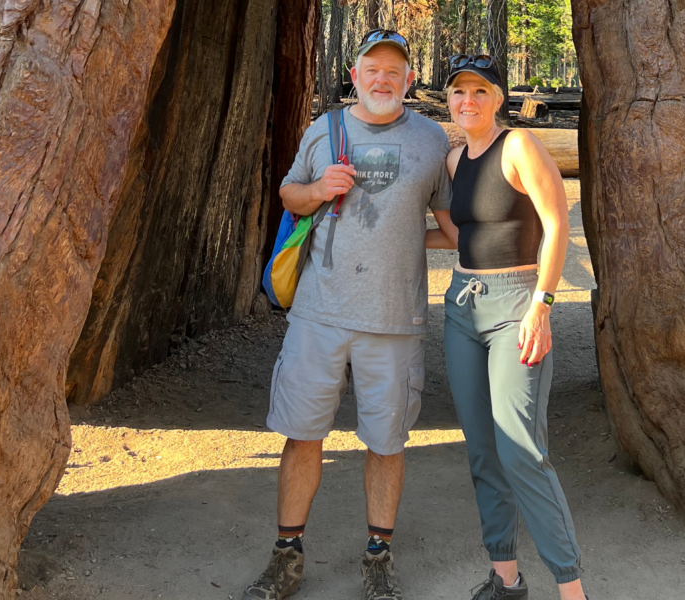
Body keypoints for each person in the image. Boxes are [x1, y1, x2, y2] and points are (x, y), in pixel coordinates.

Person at [244, 29, 453, 600]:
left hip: (395, 320)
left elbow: (450, 222)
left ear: (410, 80)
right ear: (355, 76)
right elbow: (289, 195)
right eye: (372, 69)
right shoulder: (324, 129)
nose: (383, 79)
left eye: (395, 71)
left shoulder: (432, 141)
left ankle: (378, 556)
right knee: (302, 433)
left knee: (387, 441)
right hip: (320, 313)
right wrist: (317, 189)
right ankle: (287, 554)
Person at [428, 55, 588, 600]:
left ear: (498, 98)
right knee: (481, 450)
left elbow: (557, 221)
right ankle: (506, 580)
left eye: (479, 91)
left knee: (520, 448)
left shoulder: (518, 147)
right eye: (458, 92)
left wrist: (542, 304)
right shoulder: (454, 162)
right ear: (448, 101)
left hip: (517, 306)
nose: (467, 101)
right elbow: (461, 235)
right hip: (461, 307)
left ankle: (572, 590)